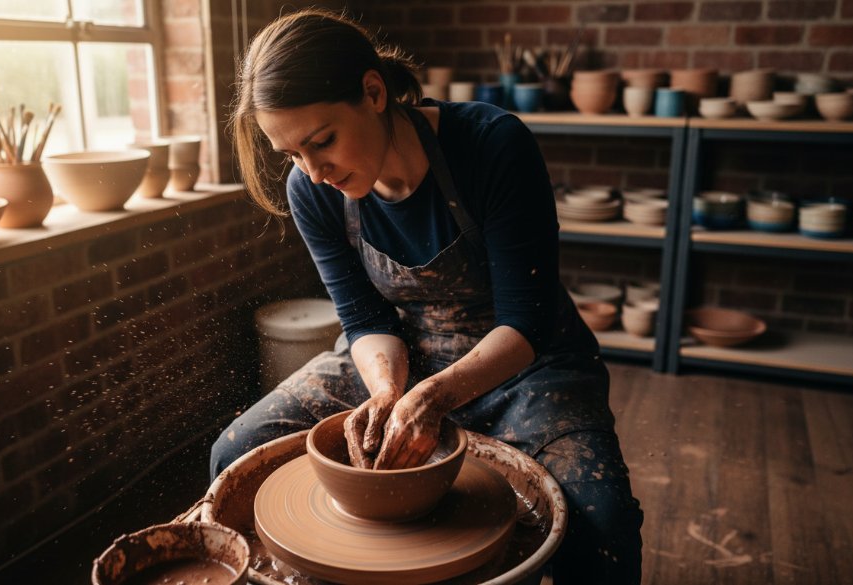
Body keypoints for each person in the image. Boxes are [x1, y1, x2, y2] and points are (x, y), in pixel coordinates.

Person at [212, 8, 643, 583]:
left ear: (374, 92)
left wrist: (433, 396)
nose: (313, 171)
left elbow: (528, 320)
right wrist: (389, 393)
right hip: (403, 354)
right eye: (291, 154)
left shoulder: (491, 144)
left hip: (524, 362)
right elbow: (365, 318)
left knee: (601, 519)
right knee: (237, 451)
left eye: (322, 141)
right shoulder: (311, 190)